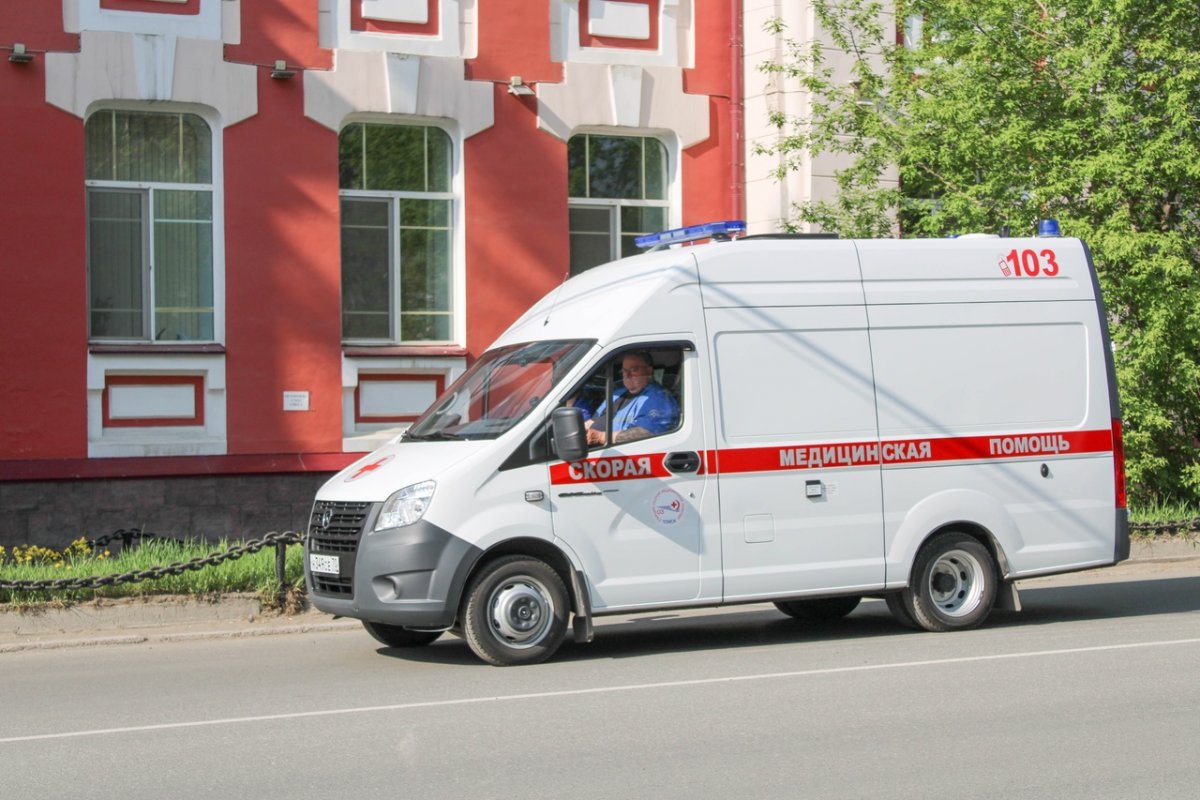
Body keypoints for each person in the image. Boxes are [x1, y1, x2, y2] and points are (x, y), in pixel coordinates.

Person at [585, 351, 679, 446]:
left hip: (623, 454)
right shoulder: (616, 393)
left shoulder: (658, 397)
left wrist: (601, 437)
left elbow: (646, 432)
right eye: (624, 370)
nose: (627, 375)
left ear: (649, 371)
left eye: (633, 370)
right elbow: (592, 422)